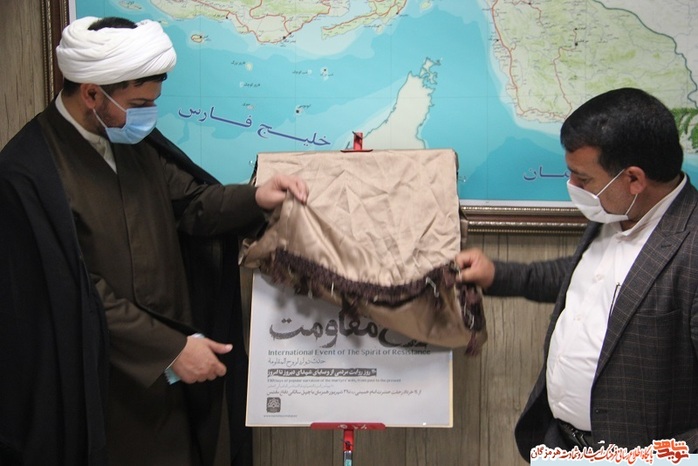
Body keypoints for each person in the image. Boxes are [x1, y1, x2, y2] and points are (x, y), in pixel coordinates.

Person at [0, 16, 307, 466]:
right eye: (140, 103)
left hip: (175, 374)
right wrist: (169, 350)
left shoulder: (128, 138)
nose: (148, 115)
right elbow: (74, 291)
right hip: (105, 386)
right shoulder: (27, 173)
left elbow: (191, 203)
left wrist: (256, 197)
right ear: (92, 94)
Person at [456, 88, 698, 460]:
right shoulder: (617, 212)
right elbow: (583, 278)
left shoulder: (690, 246)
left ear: (634, 179)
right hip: (561, 443)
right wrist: (496, 275)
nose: (572, 187)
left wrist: (658, 461)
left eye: (583, 179)